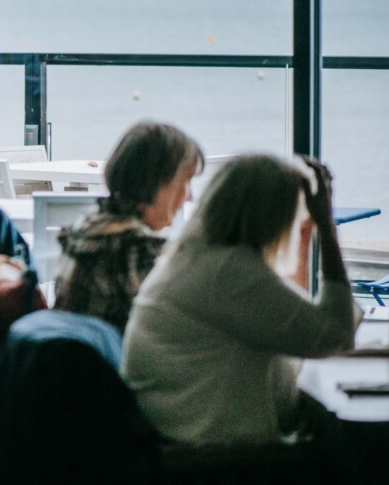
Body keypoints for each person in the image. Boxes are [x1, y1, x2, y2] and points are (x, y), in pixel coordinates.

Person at [123, 155, 361, 447]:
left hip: (182, 434)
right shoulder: (228, 272)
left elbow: (295, 316)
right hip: (221, 458)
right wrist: (326, 224)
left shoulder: (198, 259)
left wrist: (307, 232)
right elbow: (336, 335)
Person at [53, 121, 203, 334]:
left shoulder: (86, 226)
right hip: (109, 363)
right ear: (156, 182)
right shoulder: (135, 248)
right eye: (185, 181)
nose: (189, 196)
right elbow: (176, 328)